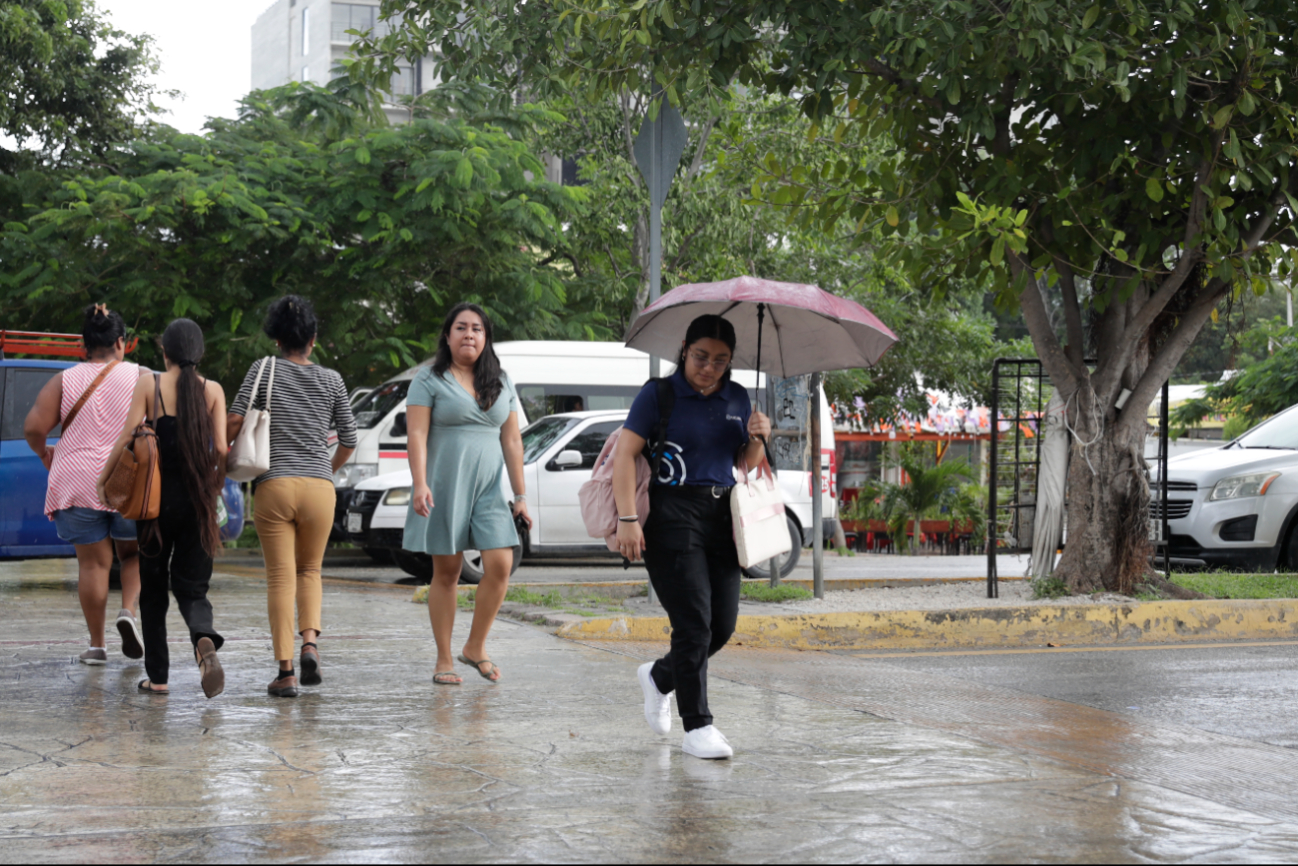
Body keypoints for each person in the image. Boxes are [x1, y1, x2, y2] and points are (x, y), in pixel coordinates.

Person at [613, 314, 772, 760]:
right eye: (701, 356)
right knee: (693, 623)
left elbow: (743, 461)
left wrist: (758, 439)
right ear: (684, 348)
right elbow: (626, 455)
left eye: (720, 361)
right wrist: (628, 519)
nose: (709, 367)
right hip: (670, 514)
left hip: (723, 515)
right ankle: (697, 726)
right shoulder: (659, 394)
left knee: (720, 627)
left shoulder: (739, 398)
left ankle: (659, 677)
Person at [227, 296, 357, 698]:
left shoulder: (261, 369)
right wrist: (324, 472)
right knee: (310, 572)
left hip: (275, 486)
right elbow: (350, 440)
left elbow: (233, 420)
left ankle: (285, 673)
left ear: (277, 340)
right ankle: (310, 644)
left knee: (281, 577)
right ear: (313, 340)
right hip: (320, 488)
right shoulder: (332, 379)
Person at [98, 319, 228, 697]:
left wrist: (104, 481)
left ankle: (158, 678)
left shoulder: (149, 384)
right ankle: (203, 640)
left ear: (165, 353)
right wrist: (214, 482)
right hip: (198, 503)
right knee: (193, 589)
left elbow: (126, 436)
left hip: (153, 505)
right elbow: (220, 449)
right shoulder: (214, 390)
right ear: (199, 353)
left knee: (153, 590)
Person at [403, 303, 531, 686]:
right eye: (461, 327)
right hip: (445, 485)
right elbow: (417, 435)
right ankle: (444, 657)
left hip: (489, 489)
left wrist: (520, 494)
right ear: (448, 335)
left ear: (486, 337)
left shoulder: (501, 380)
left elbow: (511, 440)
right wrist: (420, 482)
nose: (469, 335)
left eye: (477, 329)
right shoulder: (428, 380)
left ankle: (475, 646)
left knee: (500, 565)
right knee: (447, 573)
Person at [24, 305, 146, 666]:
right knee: (133, 554)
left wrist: (45, 453)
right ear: (121, 343)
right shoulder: (141, 377)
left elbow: (33, 428)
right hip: (128, 479)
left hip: (77, 480)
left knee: (92, 565)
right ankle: (128, 612)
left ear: (84, 345)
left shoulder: (64, 380)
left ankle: (97, 646)